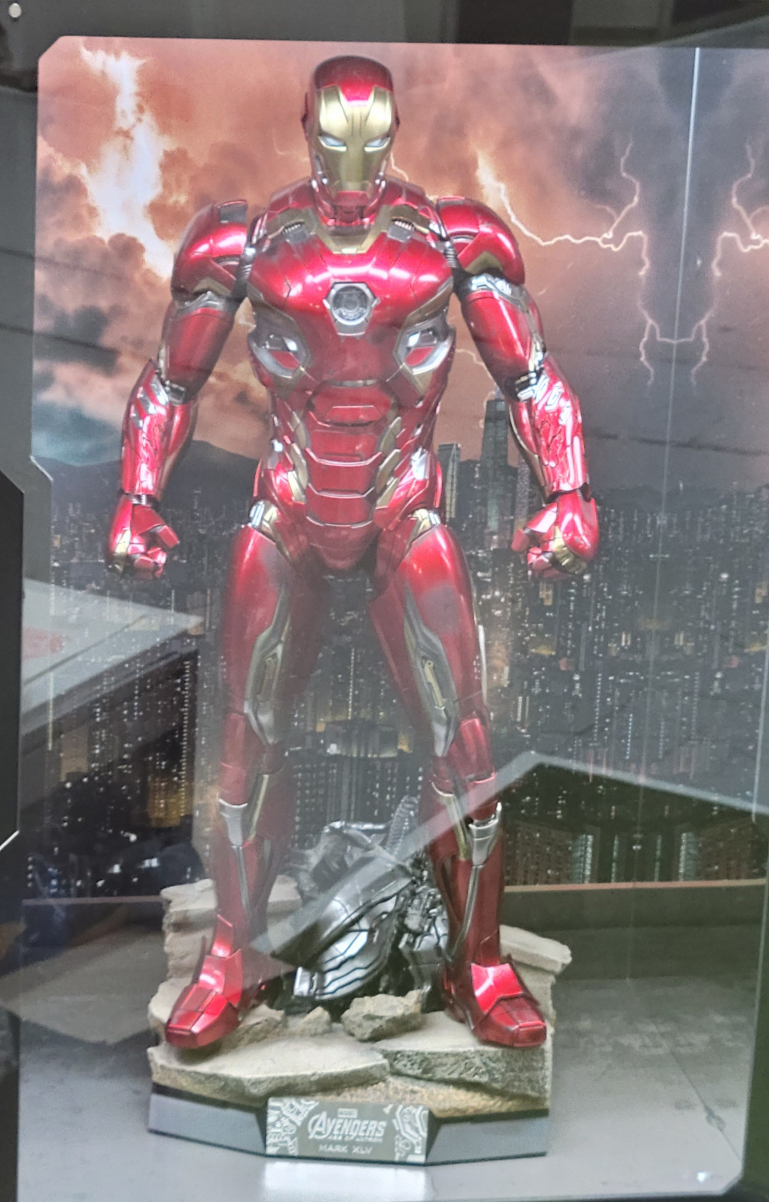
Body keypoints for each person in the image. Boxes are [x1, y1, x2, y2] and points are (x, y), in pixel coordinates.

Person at [108, 55, 598, 1050]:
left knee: (465, 748)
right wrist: (134, 494)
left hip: (401, 505)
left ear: (394, 136)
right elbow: (169, 381)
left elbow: (532, 378)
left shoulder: (451, 241)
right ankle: (230, 957)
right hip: (289, 507)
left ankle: (478, 963)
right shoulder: (245, 244)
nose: (352, 160)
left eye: (370, 138)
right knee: (244, 742)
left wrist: (569, 491)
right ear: (305, 129)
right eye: (335, 137)